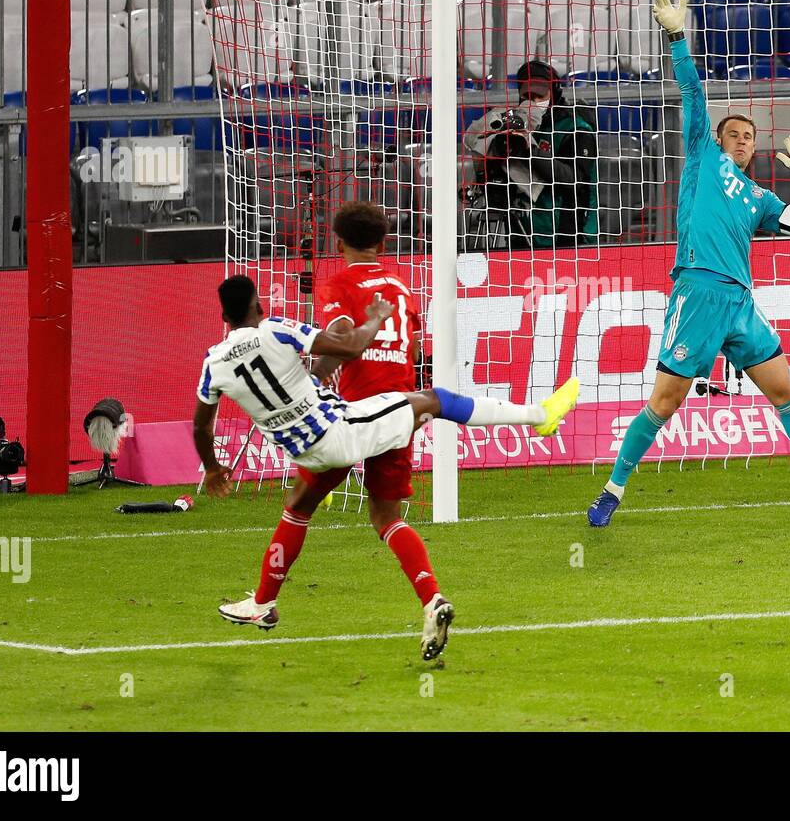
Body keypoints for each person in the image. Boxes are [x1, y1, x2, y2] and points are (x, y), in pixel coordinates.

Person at [586, 0, 790, 529]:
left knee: (786, 392)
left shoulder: (759, 198)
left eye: (748, 138)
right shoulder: (703, 160)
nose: (741, 143)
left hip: (740, 303)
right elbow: (692, 95)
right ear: (717, 141)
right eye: (733, 135)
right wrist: (677, 38)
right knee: (666, 402)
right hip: (697, 292)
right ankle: (612, 490)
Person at [193, 274, 580, 660]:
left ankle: (263, 602)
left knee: (298, 508)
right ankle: (539, 415)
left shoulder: (213, 364)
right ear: (259, 306)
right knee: (434, 400)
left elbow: (201, 425)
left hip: (306, 451)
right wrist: (376, 317)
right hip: (342, 431)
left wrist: (212, 468)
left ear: (224, 315)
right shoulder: (275, 329)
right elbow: (351, 346)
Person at [309, 201, 428, 604]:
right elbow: (413, 351)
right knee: (387, 518)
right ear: (383, 241)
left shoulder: (339, 285)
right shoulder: (401, 287)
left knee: (297, 506)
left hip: (357, 412)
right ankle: (432, 598)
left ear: (337, 242)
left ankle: (264, 600)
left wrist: (311, 377)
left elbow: (343, 343)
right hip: (400, 410)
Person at [462, 60, 598, 249]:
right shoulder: (517, 124)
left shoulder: (576, 128)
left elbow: (574, 179)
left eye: (539, 95)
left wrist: (529, 151)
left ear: (554, 93)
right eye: (527, 96)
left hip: (568, 235)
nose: (532, 102)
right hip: (522, 230)